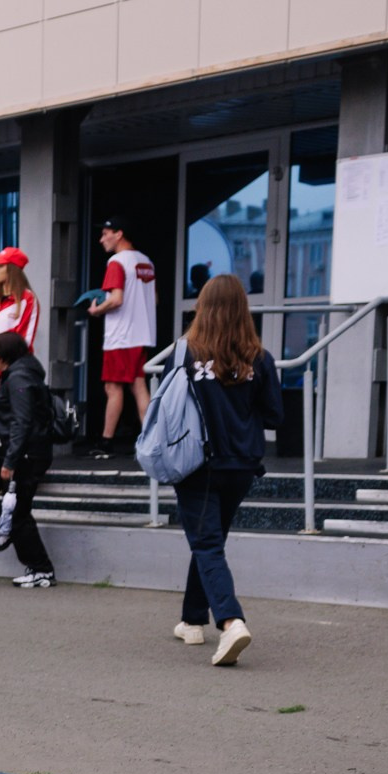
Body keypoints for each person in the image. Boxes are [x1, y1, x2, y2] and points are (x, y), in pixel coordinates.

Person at [164, 275, 282, 661]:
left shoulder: (185, 352)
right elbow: (275, 416)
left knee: (207, 543)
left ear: (203, 308)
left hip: (197, 462)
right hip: (241, 465)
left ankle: (231, 622)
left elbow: (167, 407)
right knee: (210, 542)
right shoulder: (259, 359)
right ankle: (192, 621)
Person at [0, 329, 57, 587]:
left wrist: (10, 462)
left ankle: (41, 569)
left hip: (23, 456)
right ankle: (7, 530)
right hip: (7, 452)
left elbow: (22, 423)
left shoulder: (20, 379)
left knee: (19, 512)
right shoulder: (16, 374)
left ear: (6, 355)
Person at [87, 219, 157, 457]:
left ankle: (106, 442)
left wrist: (97, 309)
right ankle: (150, 440)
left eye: (105, 233)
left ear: (119, 234)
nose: (101, 239)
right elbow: (154, 299)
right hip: (143, 333)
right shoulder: (146, 261)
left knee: (113, 387)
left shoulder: (117, 262)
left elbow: (117, 299)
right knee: (139, 386)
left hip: (122, 337)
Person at [0, 247, 40, 454]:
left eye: (0, 266)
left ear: (12, 269)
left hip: (12, 377)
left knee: (12, 424)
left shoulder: (28, 300)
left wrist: (0, 370)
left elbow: (24, 342)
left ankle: (10, 473)